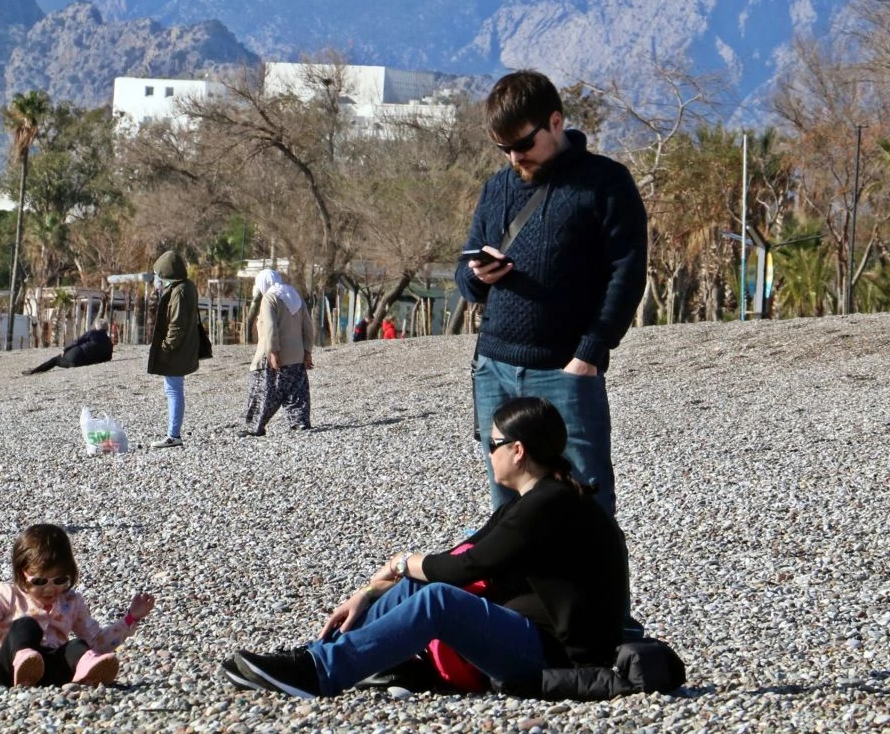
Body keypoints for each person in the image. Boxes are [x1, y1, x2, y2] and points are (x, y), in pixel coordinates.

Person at [223, 396, 630, 698]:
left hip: (559, 659)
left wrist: (401, 561)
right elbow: (456, 554)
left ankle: (320, 673)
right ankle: (317, 656)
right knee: (421, 586)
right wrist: (368, 591)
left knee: (439, 599)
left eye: (492, 444)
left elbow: (466, 569)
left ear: (517, 450)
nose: (487, 453)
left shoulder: (551, 504)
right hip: (531, 637)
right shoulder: (534, 500)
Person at [458, 70, 647, 520]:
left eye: (523, 144)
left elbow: (627, 274)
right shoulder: (495, 188)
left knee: (587, 500)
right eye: (503, 148)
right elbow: (464, 282)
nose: (514, 157)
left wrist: (590, 354)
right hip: (494, 369)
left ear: (556, 122)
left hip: (566, 371)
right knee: (506, 506)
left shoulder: (606, 183)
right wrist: (479, 276)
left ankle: (592, 591)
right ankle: (515, 592)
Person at [0, 523, 154, 690]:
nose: (50, 589)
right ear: (21, 574)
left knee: (78, 645)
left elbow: (96, 639)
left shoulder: (71, 602)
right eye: (40, 581)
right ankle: (24, 659)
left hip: (50, 672)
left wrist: (130, 619)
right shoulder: (7, 596)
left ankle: (87, 670)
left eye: (60, 580)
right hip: (7, 671)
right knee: (25, 625)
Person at [241, 269, 315, 436]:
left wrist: (273, 352)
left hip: (274, 355)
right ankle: (299, 422)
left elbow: (270, 328)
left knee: (263, 393)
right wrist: (307, 351)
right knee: (297, 392)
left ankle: (255, 427)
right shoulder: (295, 296)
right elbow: (308, 327)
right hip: (297, 355)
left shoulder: (269, 298)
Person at [145, 249, 200, 449]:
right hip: (185, 347)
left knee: (173, 390)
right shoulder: (188, 287)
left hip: (178, 349)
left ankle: (173, 435)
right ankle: (173, 432)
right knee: (174, 389)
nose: (159, 279)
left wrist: (166, 347)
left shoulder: (179, 291)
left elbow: (177, 324)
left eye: (160, 274)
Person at [22, 327, 114, 375]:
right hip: (86, 361)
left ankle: (34, 371)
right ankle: (35, 370)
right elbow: (109, 358)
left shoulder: (93, 333)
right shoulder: (109, 342)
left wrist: (66, 349)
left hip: (76, 358)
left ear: (97, 327)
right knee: (58, 360)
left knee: (55, 360)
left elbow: (78, 341)